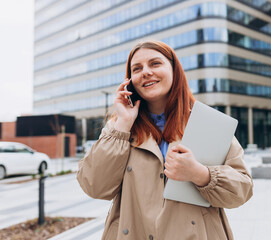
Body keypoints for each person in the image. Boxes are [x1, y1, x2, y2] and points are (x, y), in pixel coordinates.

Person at [77, 40, 253, 240]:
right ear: (130, 80)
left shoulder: (207, 123)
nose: (146, 72)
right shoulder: (119, 129)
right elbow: (95, 186)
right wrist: (123, 125)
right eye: (137, 68)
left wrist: (201, 174)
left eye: (155, 63)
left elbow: (242, 190)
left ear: (174, 70)